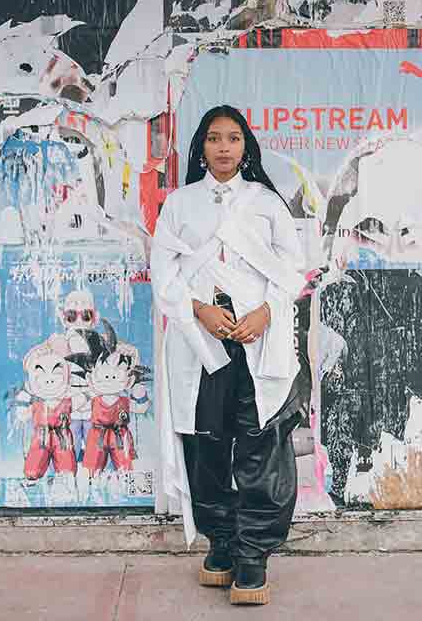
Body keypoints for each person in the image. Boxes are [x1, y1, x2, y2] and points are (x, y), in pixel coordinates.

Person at [150, 105, 306, 606]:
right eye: (214, 138)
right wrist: (198, 309)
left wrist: (267, 312)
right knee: (206, 444)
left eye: (233, 138)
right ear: (200, 146)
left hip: (257, 342)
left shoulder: (266, 203)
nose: (223, 147)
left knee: (261, 446)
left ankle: (253, 557)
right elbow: (163, 273)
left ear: (246, 147)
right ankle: (221, 543)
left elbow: (295, 270)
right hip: (201, 346)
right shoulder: (179, 204)